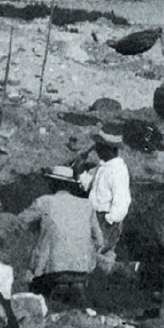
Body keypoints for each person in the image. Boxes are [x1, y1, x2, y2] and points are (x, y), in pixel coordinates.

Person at [19, 165, 104, 307]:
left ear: (53, 183)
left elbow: (17, 222)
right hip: (81, 273)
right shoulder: (87, 205)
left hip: (52, 273)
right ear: (70, 185)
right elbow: (100, 241)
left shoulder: (44, 202)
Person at [77, 128, 131, 265]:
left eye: (100, 148)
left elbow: (122, 199)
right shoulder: (102, 167)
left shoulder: (117, 171)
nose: (97, 151)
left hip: (105, 218)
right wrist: (80, 170)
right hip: (95, 215)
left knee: (95, 252)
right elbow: (88, 185)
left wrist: (111, 218)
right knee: (100, 253)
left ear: (111, 149)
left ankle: (120, 269)